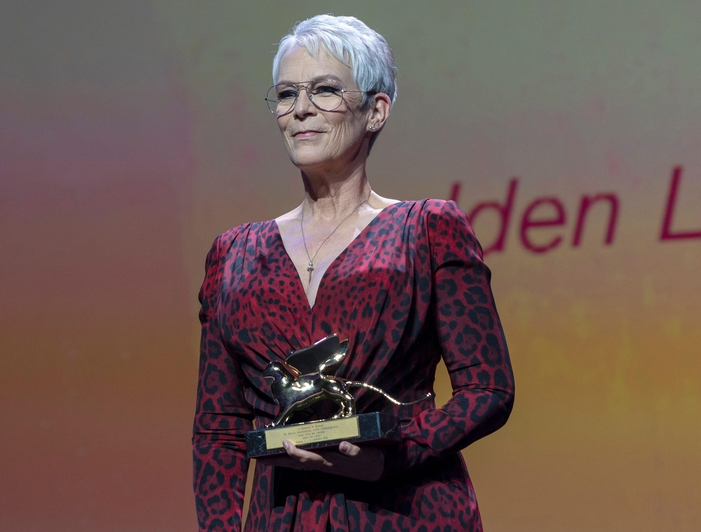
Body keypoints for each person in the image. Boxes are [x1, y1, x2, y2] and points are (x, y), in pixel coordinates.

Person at [193, 14, 514, 531]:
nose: (300, 110)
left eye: (324, 90)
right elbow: (219, 429)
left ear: (376, 110)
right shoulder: (233, 255)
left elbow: (489, 389)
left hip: (405, 511)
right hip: (281, 517)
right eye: (286, 94)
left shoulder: (427, 230)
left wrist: (392, 456)